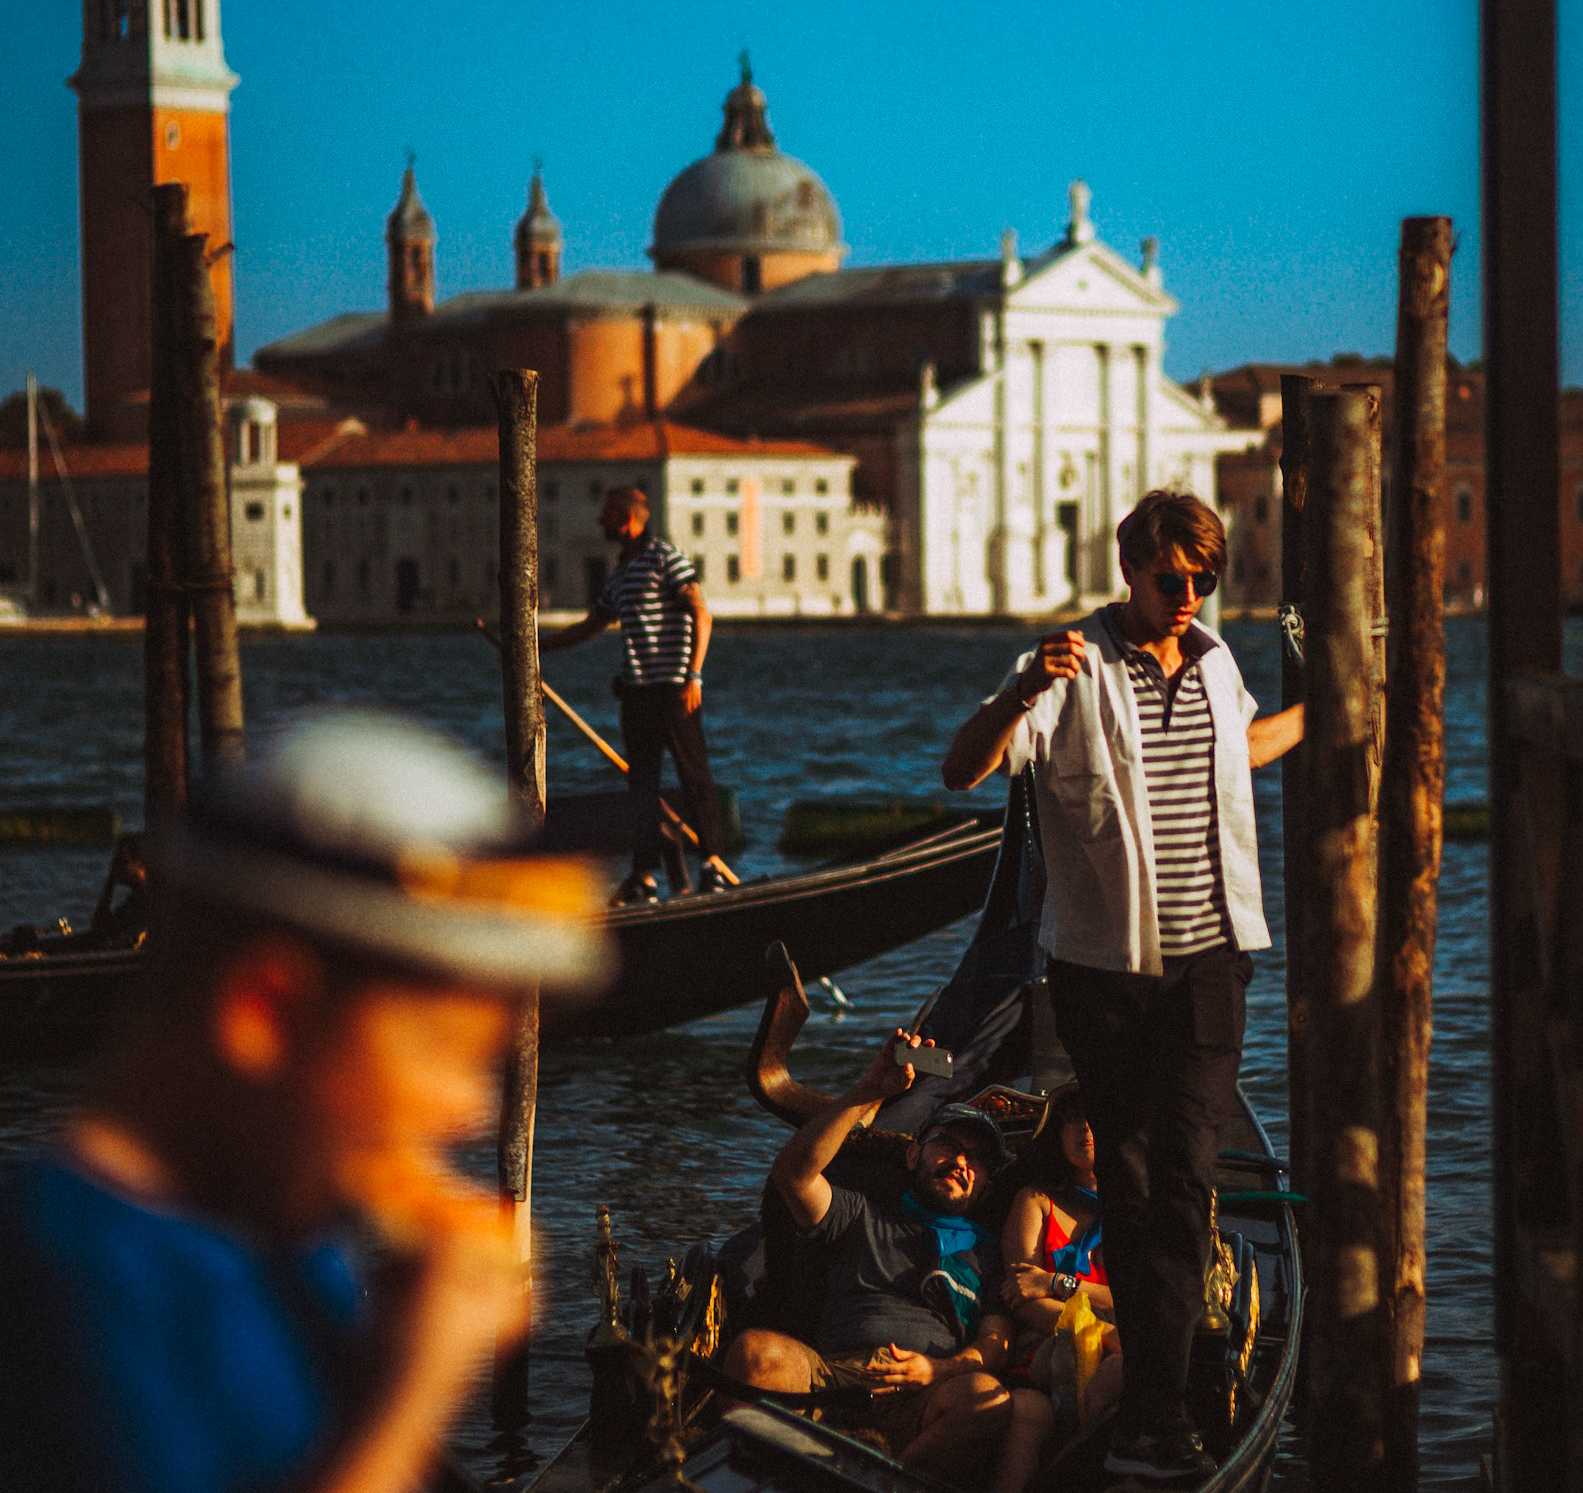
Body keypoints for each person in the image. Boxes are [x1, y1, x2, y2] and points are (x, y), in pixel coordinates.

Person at [0, 712, 610, 1493]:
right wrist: (416, 1395)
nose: (472, 1111)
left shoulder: (295, 1239)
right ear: (267, 1011)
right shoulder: (66, 1289)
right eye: (444, 1053)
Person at [942, 490, 1304, 1484]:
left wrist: (1324, 711)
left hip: (1214, 962)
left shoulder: (1219, 659)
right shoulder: (1068, 666)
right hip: (1104, 978)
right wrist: (1019, 690)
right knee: (1137, 1192)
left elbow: (1247, 743)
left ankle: (1157, 1410)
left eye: (1204, 579)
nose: (1189, 594)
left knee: (1186, 1185)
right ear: (1128, 565)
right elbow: (961, 768)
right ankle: (1154, 1415)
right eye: (1171, 577)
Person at [724, 1030, 1016, 1484]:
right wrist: (870, 1090)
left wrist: (936, 1370)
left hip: (923, 1397)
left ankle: (889, 1480)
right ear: (913, 1155)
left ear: (987, 1188)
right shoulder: (860, 1213)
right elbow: (794, 1176)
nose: (962, 1161)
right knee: (754, 1354)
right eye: (949, 1145)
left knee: (986, 1397)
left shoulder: (988, 1252)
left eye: (977, 1159)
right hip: (830, 1381)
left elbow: (996, 1341)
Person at [541, 485, 730, 901]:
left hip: (675, 689)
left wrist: (694, 676)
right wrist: (537, 648)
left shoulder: (666, 558)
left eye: (606, 514)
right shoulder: (621, 573)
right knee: (641, 788)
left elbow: (701, 612)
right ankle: (644, 874)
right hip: (637, 693)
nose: (599, 521)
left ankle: (712, 864)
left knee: (694, 775)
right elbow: (591, 625)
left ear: (627, 519)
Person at [991, 1082, 1121, 1493]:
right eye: (1071, 1119)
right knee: (1029, 1410)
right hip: (1045, 1349)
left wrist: (1056, 1283)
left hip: (1122, 1346)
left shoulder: (1140, 1209)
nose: (1084, 1127)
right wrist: (1092, 1330)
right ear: (1058, 1134)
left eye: (1095, 1116)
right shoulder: (1036, 1201)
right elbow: (1021, 1298)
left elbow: (1143, 1295)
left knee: (1122, 1370)